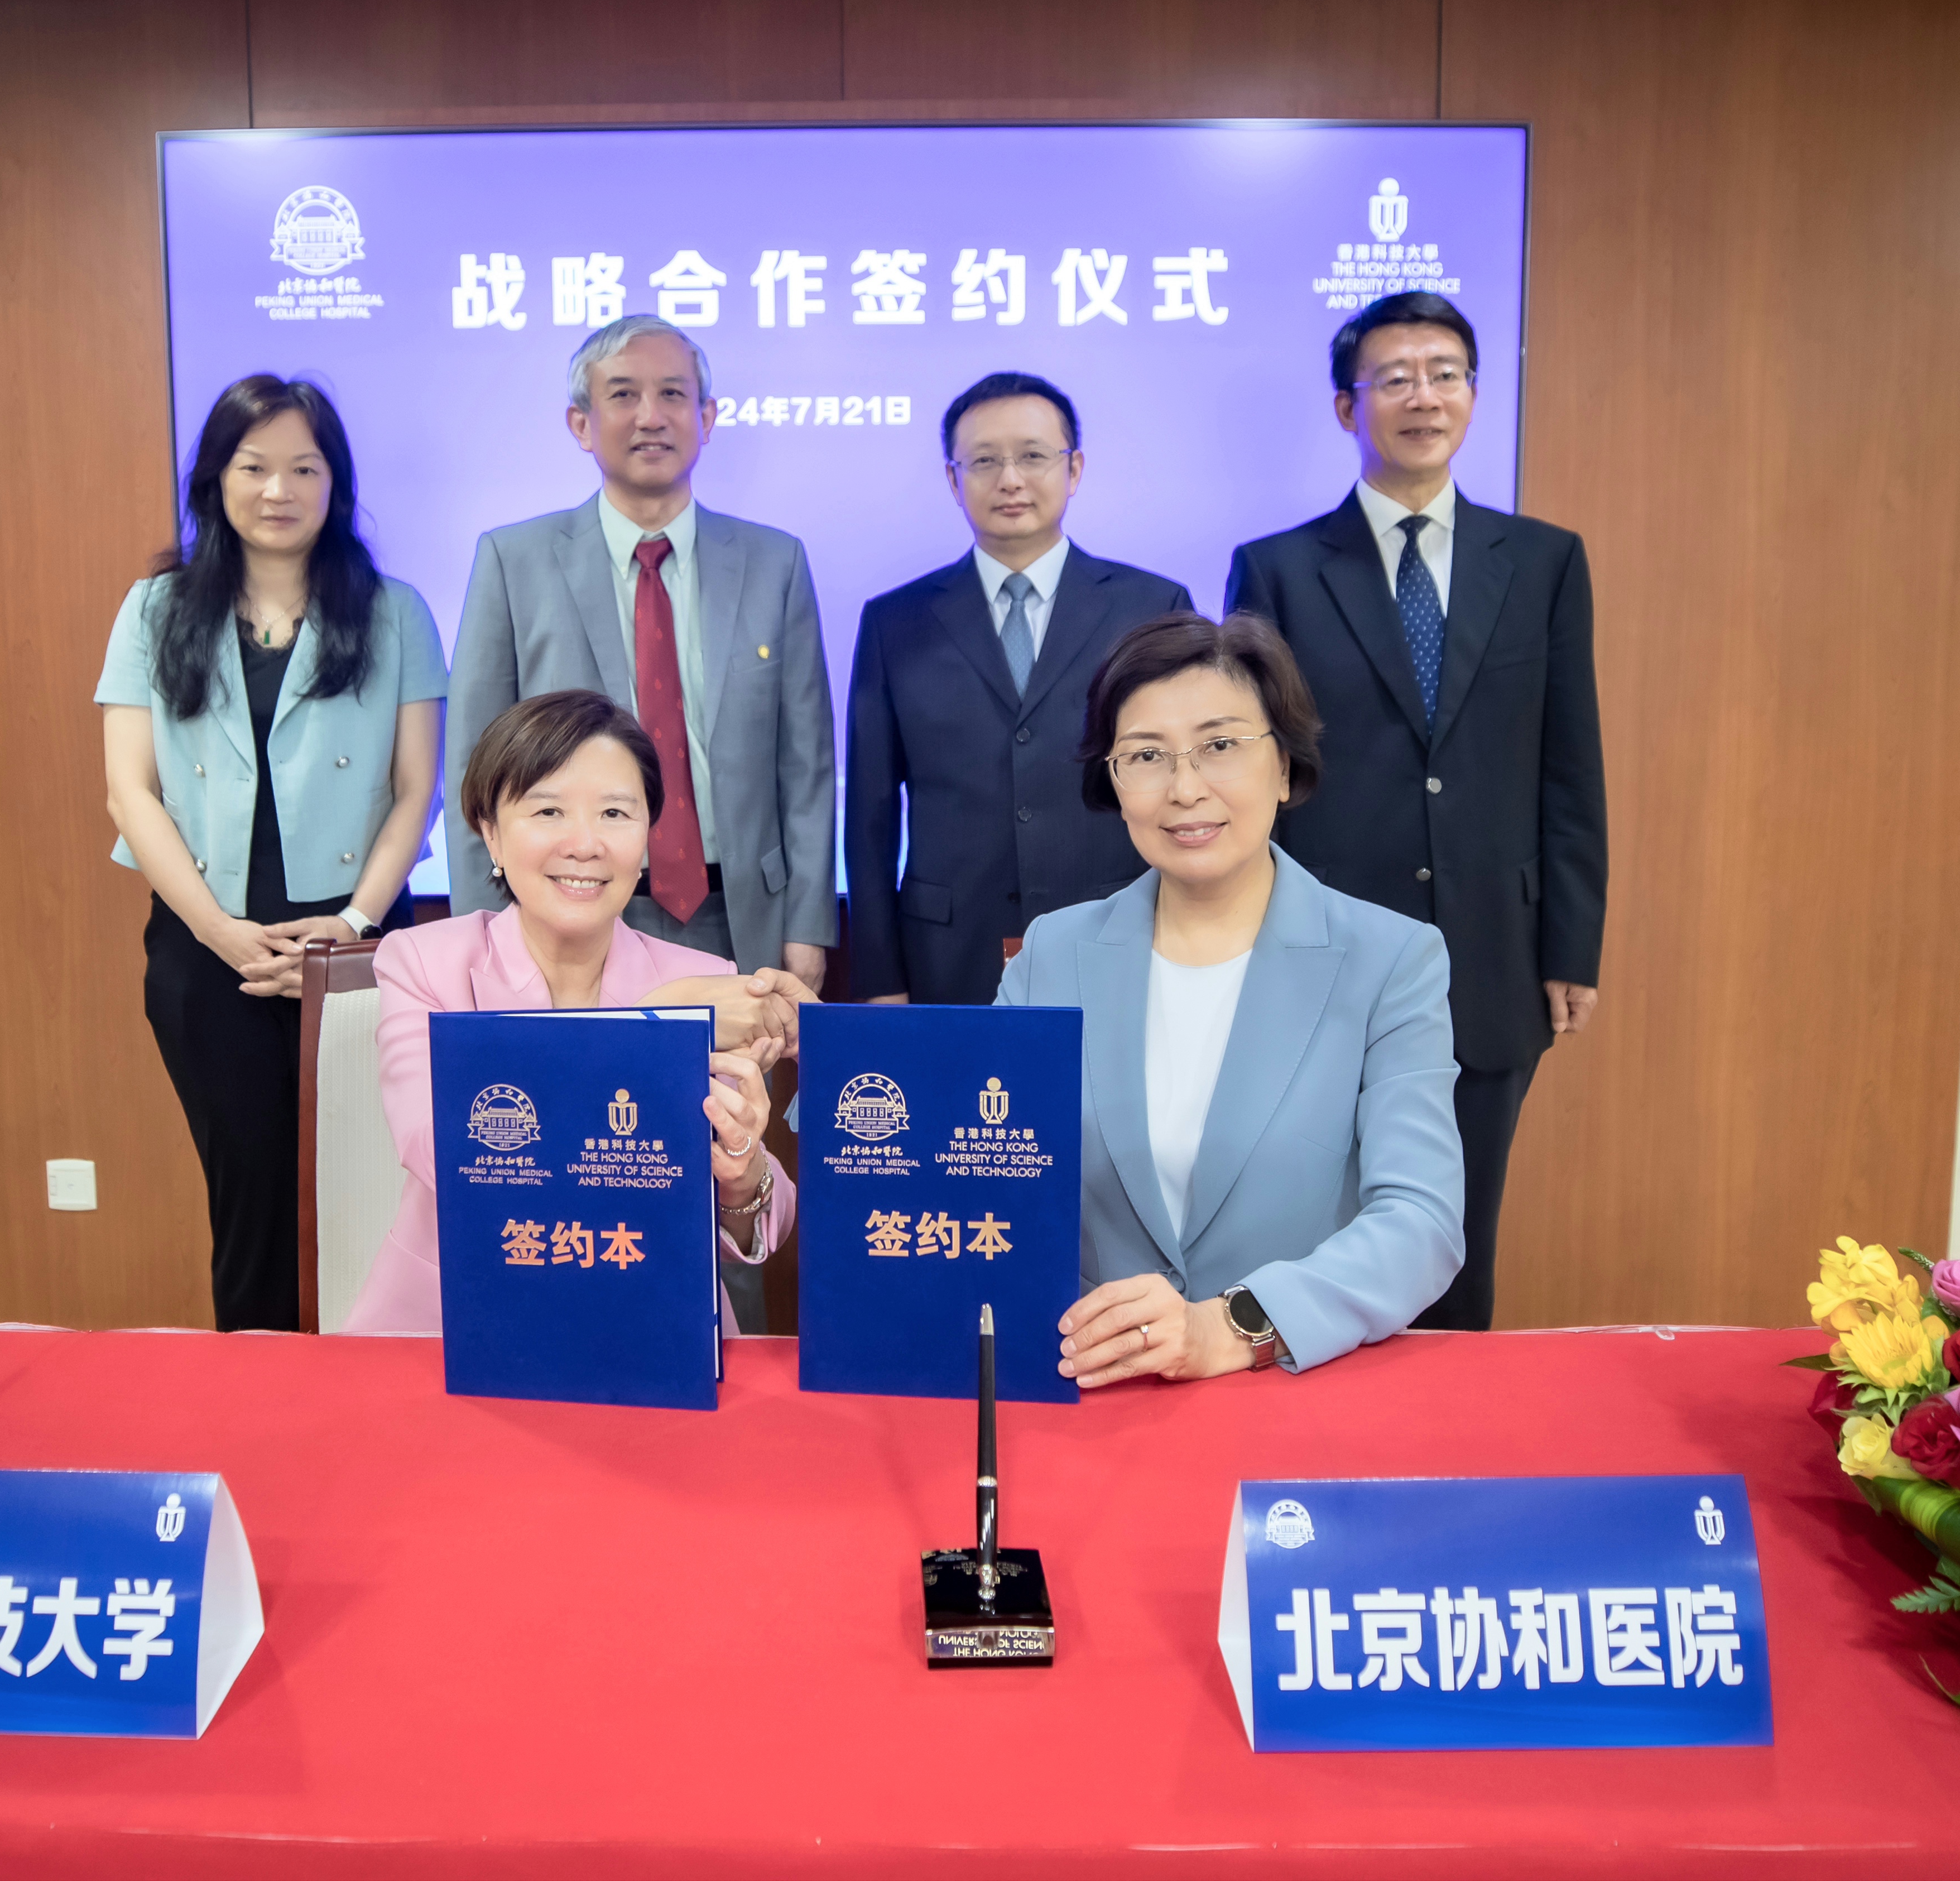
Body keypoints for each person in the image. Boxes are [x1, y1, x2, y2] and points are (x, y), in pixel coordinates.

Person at [1223, 291, 1607, 1332]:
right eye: (1393, 378)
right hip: (1321, 953)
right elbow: (1249, 768)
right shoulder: (1278, 568)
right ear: (1347, 407)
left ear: (1473, 396)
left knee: (1457, 1240)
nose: (1422, 397)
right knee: (1312, 1237)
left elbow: (1569, 767)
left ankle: (1447, 1426)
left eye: (1444, 374)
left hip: (1490, 957)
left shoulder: (1542, 561)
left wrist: (1569, 947)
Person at [998, 613, 1464, 1384]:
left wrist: (1232, 1326)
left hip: (1290, 1387)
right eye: (1146, 755)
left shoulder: (1391, 960)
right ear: (1113, 783)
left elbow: (1421, 1222)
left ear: (1283, 766)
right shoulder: (1051, 953)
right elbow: (983, 1171)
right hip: (1092, 1387)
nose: (1185, 788)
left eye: (1219, 746)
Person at [98, 373, 447, 1332]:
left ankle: (369, 1400)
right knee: (249, 1202)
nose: (278, 490)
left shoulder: (394, 612)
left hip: (359, 948)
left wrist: (350, 929)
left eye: (304, 468)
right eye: (253, 467)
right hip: (208, 952)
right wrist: (219, 933)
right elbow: (130, 790)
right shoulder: (154, 609)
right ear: (215, 479)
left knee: (369, 1197)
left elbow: (416, 789)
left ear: (336, 483)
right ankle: (259, 1401)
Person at [344, 691, 806, 1335]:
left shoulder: (705, 978)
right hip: (455, 1321)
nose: (585, 843)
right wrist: (653, 1023)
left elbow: (765, 1223)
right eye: (549, 810)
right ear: (491, 832)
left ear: (647, 834)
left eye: (615, 812)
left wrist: (741, 1172)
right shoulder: (424, 962)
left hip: (649, 1321)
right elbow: (450, 1153)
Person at [443, 315, 837, 991]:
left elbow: (807, 768)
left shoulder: (775, 563)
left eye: (673, 394)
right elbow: (472, 769)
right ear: (581, 423)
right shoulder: (514, 561)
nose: (651, 416)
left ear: (707, 418)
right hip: (563, 912)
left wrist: (806, 925)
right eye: (623, 394)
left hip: (741, 917)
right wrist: (480, 932)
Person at [846, 372, 1192, 1005]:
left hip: (1120, 930)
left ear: (1074, 468)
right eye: (984, 461)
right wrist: (880, 978)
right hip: (947, 952)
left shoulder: (1152, 606)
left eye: (1033, 455)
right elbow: (870, 817)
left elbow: (1183, 780)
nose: (1010, 479)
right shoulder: (895, 622)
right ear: (953, 480)